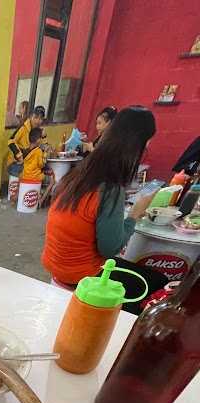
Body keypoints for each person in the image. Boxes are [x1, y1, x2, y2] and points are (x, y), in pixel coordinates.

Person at [41, 106, 168, 311]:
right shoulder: (109, 187)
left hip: (55, 265)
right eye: (147, 143)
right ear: (137, 146)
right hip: (81, 276)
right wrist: (134, 214)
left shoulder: (78, 174)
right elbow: (110, 248)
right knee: (158, 281)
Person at [6, 105, 46, 176]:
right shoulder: (23, 128)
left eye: (40, 119)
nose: (37, 121)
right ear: (31, 117)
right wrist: (18, 155)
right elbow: (11, 141)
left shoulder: (40, 131)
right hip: (16, 163)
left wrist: (43, 138)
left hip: (27, 163)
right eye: (35, 117)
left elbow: (40, 147)